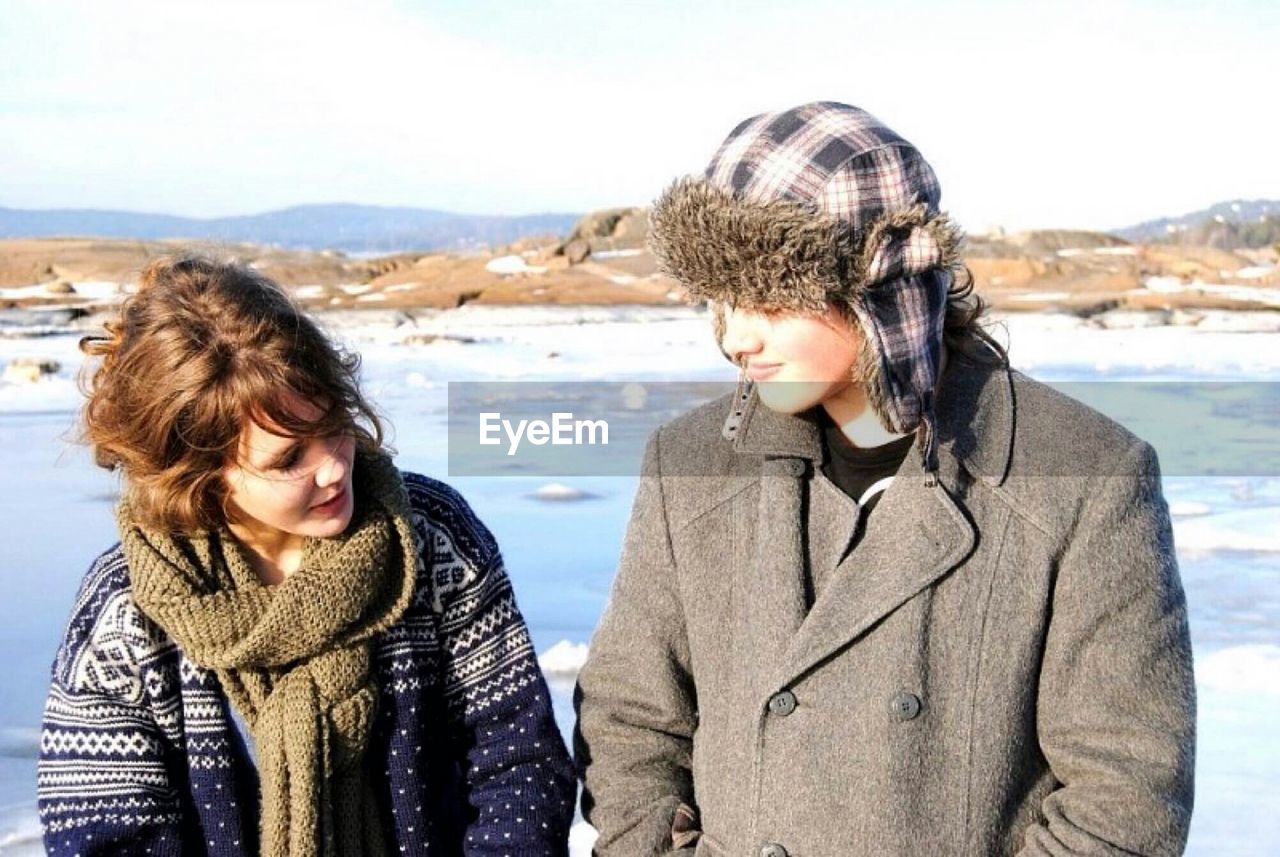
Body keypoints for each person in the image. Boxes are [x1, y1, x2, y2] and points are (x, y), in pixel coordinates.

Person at [574, 102, 1195, 856]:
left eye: (771, 295)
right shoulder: (689, 460)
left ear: (879, 287)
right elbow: (629, 715)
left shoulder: (1085, 476)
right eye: (722, 298)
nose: (736, 336)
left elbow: (1125, 794)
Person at [38, 256, 576, 856]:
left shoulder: (429, 536)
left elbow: (517, 761)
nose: (334, 466)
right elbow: (108, 834)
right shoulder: (127, 610)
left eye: (335, 424)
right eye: (288, 459)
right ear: (197, 478)